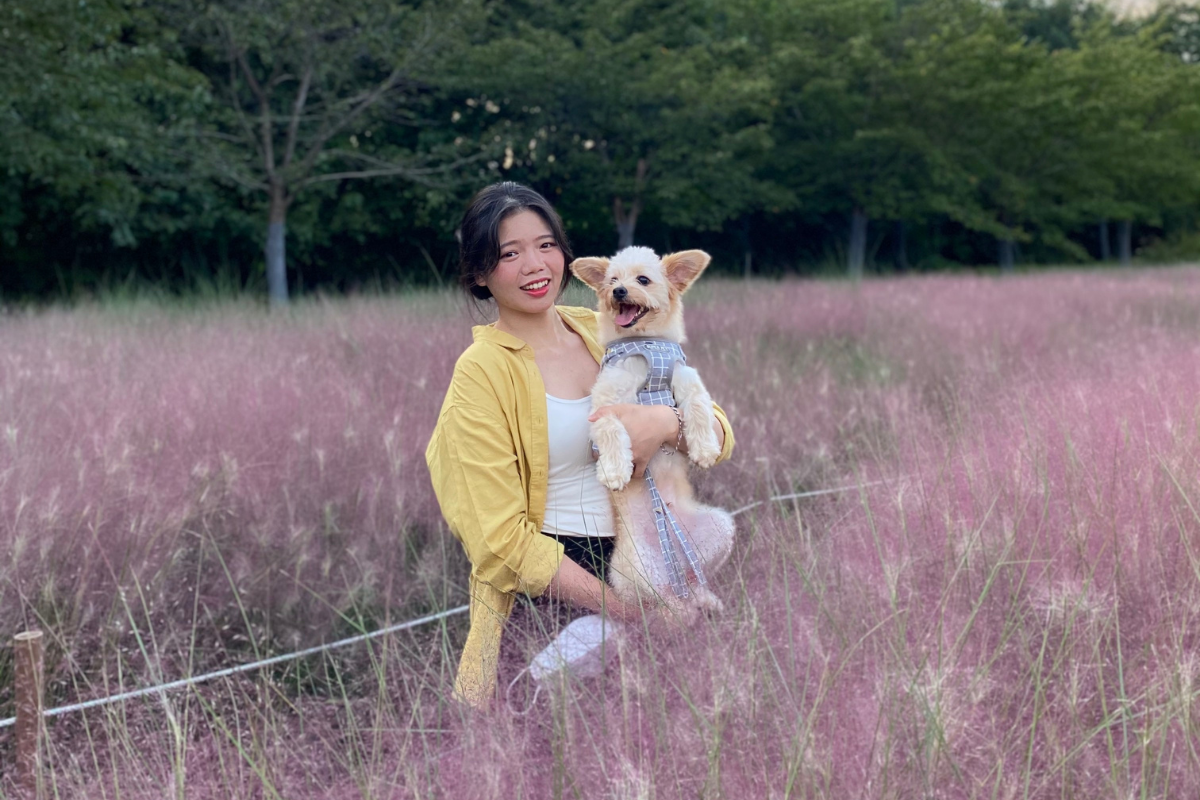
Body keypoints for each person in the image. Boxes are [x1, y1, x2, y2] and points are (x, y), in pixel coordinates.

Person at [424, 182, 735, 708]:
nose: (534, 265)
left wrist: (664, 422)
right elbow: (501, 542)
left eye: (545, 245)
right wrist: (637, 613)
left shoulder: (604, 327)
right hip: (553, 590)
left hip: (644, 558)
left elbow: (718, 432)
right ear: (479, 273)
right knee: (545, 745)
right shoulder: (480, 375)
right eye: (509, 253)